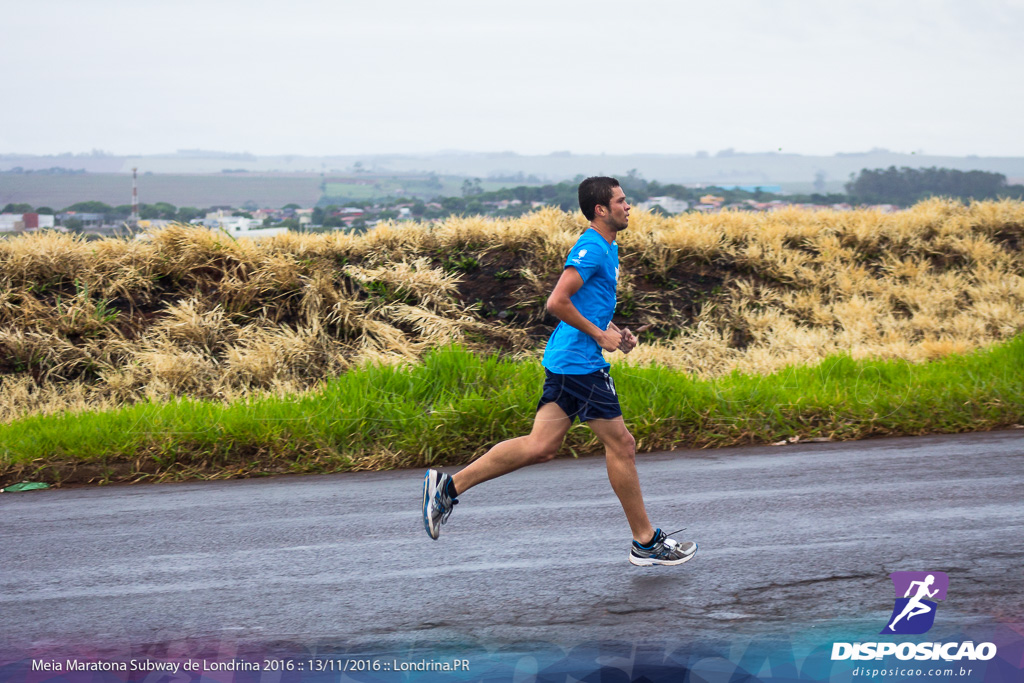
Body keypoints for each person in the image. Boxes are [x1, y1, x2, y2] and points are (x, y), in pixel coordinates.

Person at [421, 176, 697, 567]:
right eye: (621, 201)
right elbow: (557, 301)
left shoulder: (607, 247)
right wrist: (599, 335)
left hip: (569, 361)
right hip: (580, 365)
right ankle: (645, 541)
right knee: (622, 445)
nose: (628, 206)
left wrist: (615, 333)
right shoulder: (591, 248)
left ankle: (448, 488)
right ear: (601, 209)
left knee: (541, 446)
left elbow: (588, 305)